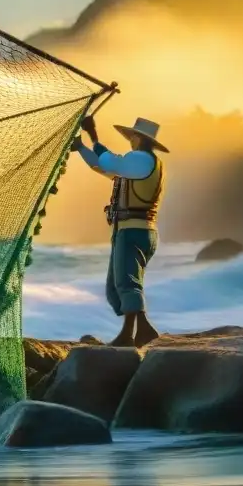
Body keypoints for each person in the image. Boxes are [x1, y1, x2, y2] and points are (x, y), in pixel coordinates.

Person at [71, 114, 167, 347]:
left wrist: (93, 135)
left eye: (131, 136)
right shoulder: (136, 164)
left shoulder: (141, 159)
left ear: (137, 138)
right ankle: (139, 331)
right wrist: (82, 147)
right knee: (117, 285)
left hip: (135, 231)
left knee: (127, 283)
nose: (130, 140)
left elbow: (111, 163)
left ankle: (132, 334)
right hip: (132, 231)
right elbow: (102, 166)